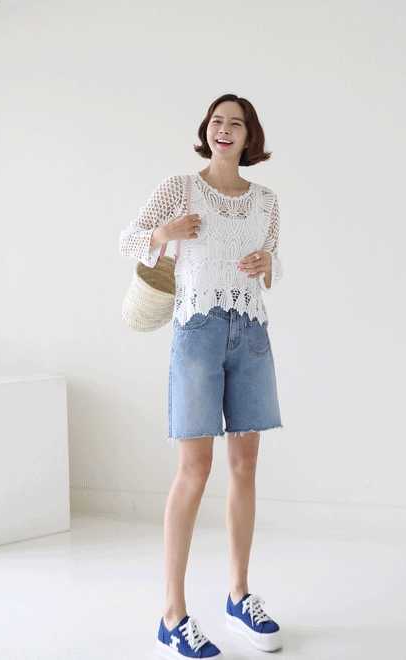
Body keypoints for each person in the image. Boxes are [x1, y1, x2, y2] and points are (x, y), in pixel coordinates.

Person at [120, 93, 283, 659]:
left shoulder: (267, 201)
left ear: (249, 137)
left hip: (251, 335)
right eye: (217, 121)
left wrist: (270, 264)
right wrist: (164, 233)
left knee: (244, 465)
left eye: (236, 123)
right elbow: (127, 239)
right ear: (207, 130)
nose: (224, 129)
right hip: (197, 333)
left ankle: (238, 596)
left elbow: (272, 264)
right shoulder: (181, 188)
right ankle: (172, 615)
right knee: (194, 469)